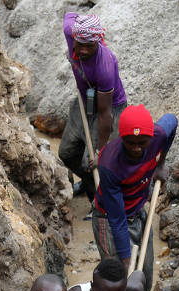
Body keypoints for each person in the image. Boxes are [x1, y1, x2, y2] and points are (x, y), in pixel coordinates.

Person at [92, 104, 178, 291]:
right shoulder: (109, 163)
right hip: (109, 219)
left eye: (143, 143)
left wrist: (159, 165)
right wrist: (125, 261)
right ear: (122, 138)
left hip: (139, 212)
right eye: (132, 143)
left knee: (144, 281)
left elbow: (171, 119)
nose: (138, 149)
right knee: (119, 287)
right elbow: (117, 220)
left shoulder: (158, 135)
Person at [59, 12, 128, 208]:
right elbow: (70, 15)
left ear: (99, 41)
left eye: (90, 46)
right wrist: (86, 20)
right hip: (85, 99)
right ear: (74, 37)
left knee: (95, 163)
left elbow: (105, 114)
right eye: (80, 44)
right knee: (67, 153)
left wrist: (101, 152)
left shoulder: (104, 66)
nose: (83, 50)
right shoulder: (70, 31)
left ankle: (101, 205)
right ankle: (90, 186)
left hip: (110, 108)